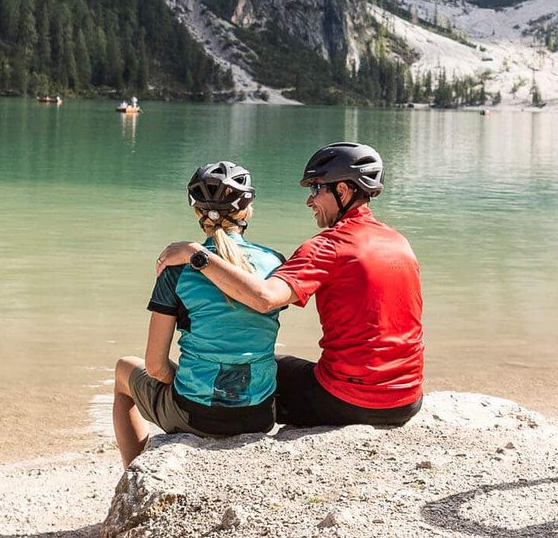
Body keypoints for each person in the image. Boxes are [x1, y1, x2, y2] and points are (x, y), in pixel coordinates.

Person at [157, 142, 423, 429]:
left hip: (349, 401)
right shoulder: (398, 242)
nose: (310, 201)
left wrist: (195, 255)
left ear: (343, 191)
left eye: (316, 189)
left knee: (264, 375)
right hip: (408, 399)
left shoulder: (329, 246)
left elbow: (264, 298)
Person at [112, 162, 285, 466]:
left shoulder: (176, 270)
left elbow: (154, 366)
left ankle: (133, 472)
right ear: (246, 211)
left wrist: (188, 381)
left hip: (196, 414)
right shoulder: (273, 263)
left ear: (197, 212)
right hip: (259, 414)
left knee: (124, 370)